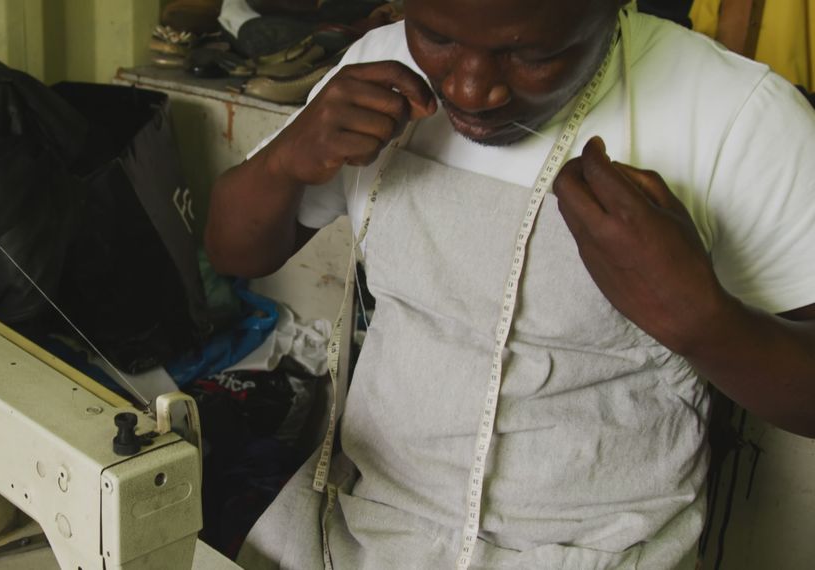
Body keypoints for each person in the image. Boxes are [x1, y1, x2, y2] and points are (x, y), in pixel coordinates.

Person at [205, 0, 815, 567]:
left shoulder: (738, 119)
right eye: (438, 36)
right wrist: (286, 159)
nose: (469, 88)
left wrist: (702, 322)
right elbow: (234, 250)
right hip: (362, 525)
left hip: (599, 551)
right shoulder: (378, 67)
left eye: (532, 55)